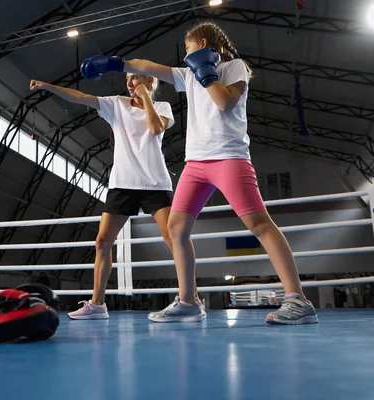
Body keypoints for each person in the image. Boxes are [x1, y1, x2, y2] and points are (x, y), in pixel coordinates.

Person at [78, 21, 319, 325]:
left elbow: (225, 102)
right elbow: (150, 66)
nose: (186, 57)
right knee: (177, 230)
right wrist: (115, 63)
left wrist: (206, 73)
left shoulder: (234, 68)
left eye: (189, 49)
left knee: (259, 224)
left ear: (203, 44)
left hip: (229, 157)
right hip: (195, 164)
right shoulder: (186, 74)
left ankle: (298, 300)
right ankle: (189, 301)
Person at [29, 72, 205, 320]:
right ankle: (97, 304)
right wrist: (49, 85)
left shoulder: (162, 107)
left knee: (175, 238)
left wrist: (145, 97)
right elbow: (80, 97)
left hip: (155, 183)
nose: (129, 83)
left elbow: (155, 128)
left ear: (150, 81)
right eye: (128, 79)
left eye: (135, 78)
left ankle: (193, 300)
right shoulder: (116, 104)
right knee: (102, 242)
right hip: (122, 184)